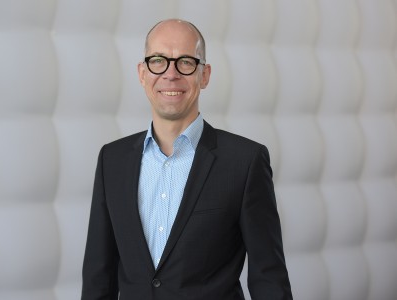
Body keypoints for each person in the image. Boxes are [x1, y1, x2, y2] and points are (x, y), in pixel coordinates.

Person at [81, 18, 293, 300]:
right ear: (142, 73)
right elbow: (99, 277)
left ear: (204, 75)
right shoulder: (113, 160)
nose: (171, 74)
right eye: (158, 61)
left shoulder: (245, 162)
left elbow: (269, 280)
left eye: (186, 62)